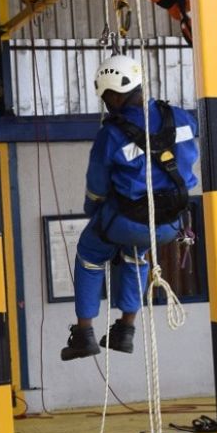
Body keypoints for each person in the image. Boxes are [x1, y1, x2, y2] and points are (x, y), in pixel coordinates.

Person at [61, 53, 198, 361]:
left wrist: (93, 210)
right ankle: (126, 330)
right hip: (171, 223)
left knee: (90, 252)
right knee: (136, 253)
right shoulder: (180, 117)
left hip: (128, 220)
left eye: (106, 96)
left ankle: (84, 332)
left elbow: (97, 186)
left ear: (110, 95)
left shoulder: (111, 134)